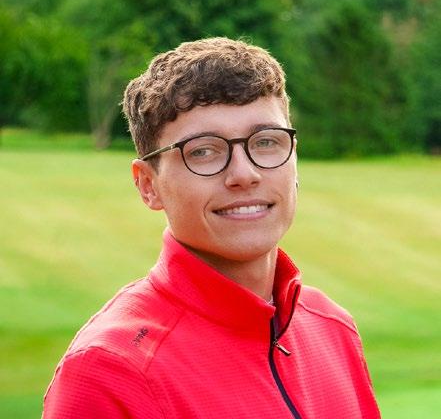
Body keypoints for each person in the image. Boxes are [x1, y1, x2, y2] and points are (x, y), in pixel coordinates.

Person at [43, 37, 380, 418]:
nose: (244, 174)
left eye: (266, 142)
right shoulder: (110, 371)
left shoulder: (332, 328)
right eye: (203, 151)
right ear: (148, 185)